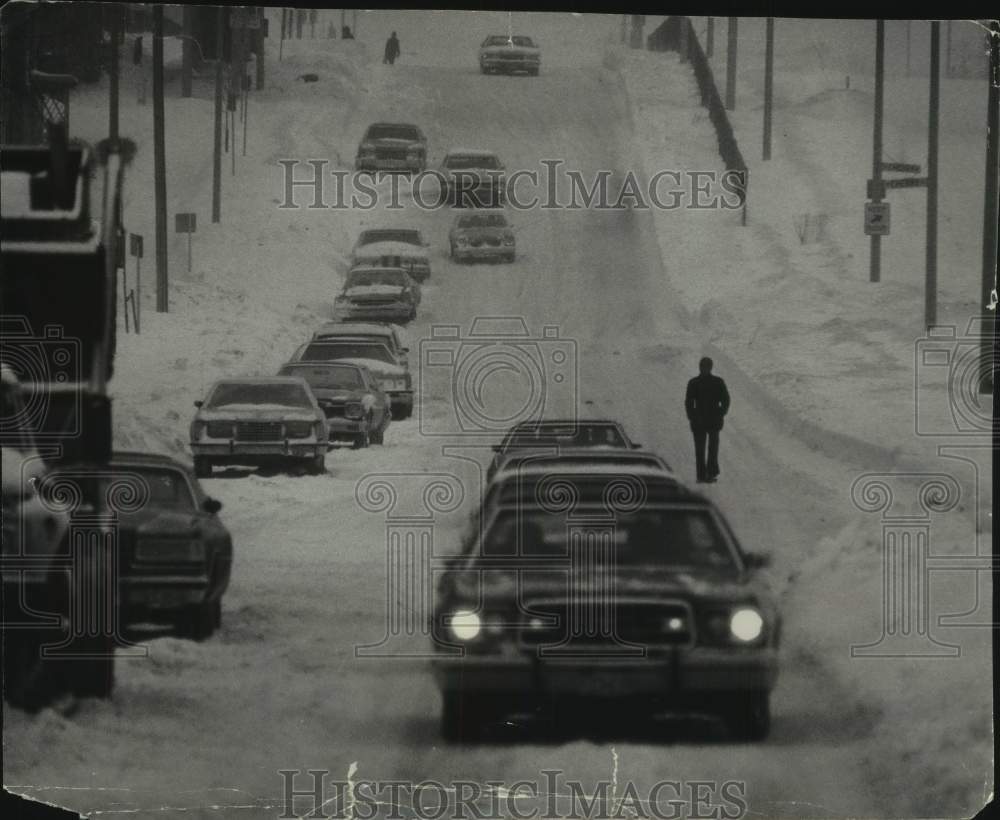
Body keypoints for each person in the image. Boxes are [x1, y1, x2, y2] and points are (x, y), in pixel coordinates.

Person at [684, 356, 730, 483]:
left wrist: (721, 413)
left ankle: (710, 474)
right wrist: (692, 417)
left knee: (712, 449)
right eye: (702, 366)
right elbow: (689, 402)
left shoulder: (717, 382)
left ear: (710, 368)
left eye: (706, 367)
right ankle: (702, 475)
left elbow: (725, 400)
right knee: (701, 449)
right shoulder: (694, 383)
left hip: (712, 421)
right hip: (700, 421)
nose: (704, 369)